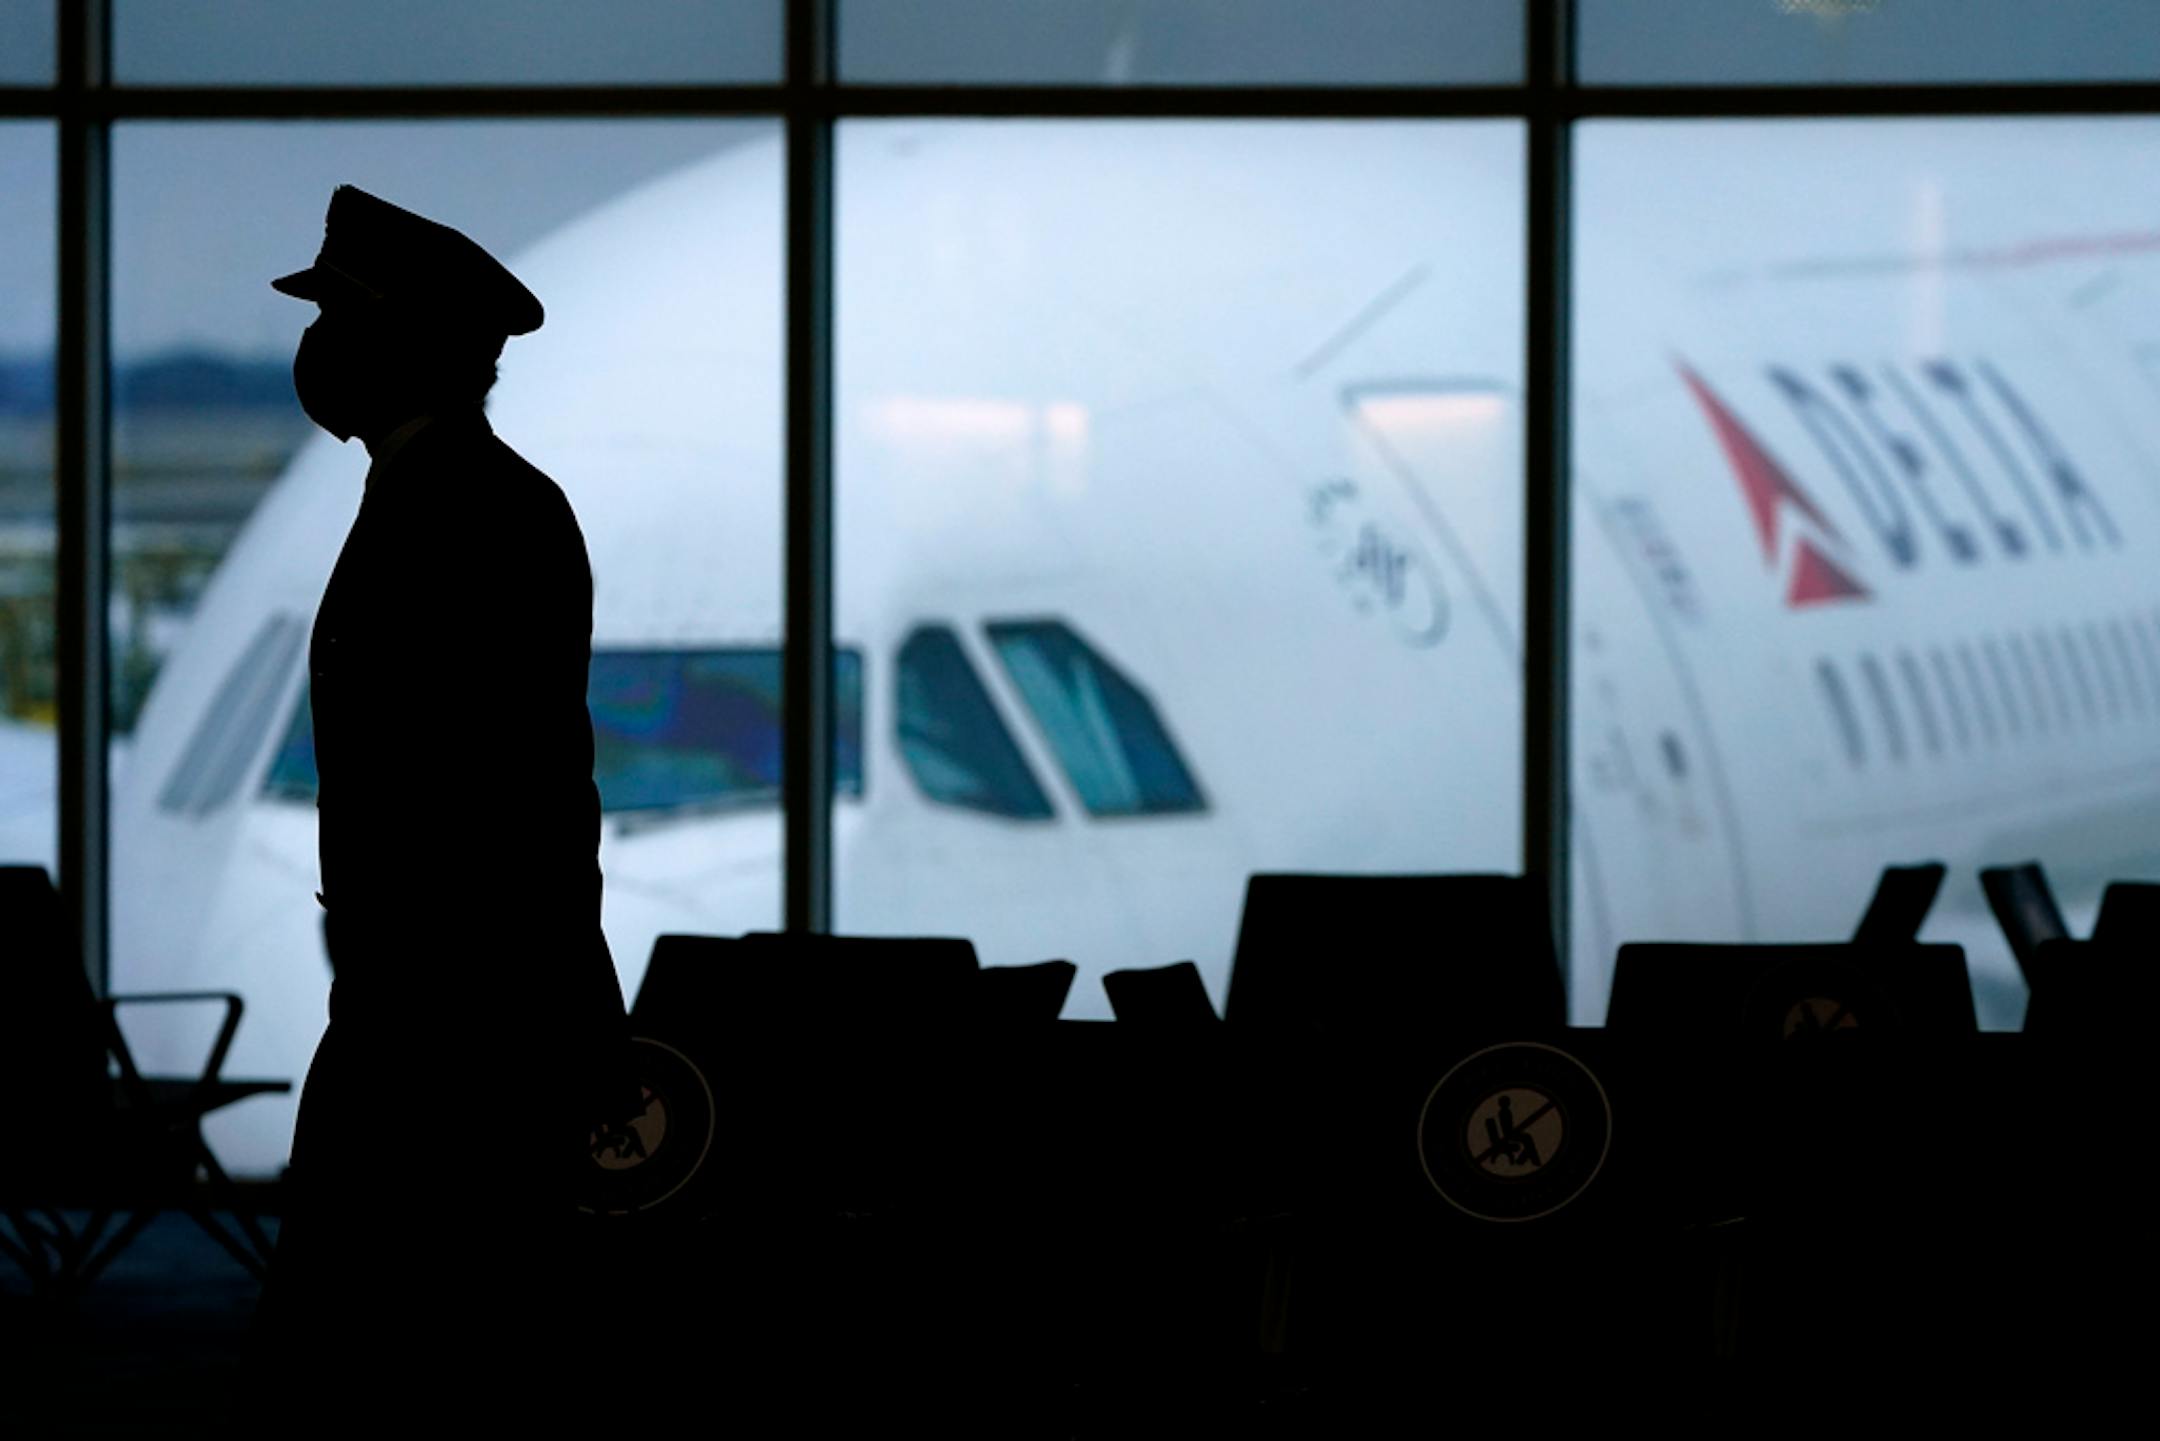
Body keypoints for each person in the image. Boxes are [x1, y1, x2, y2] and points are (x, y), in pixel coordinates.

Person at [253, 185, 635, 1415]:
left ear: (408, 341)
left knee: (411, 1353)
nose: (320, 348)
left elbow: (526, 794)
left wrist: (569, 1018)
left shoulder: (478, 512)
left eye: (342, 316)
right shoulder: (446, 497)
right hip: (422, 1008)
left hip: (452, 1023)